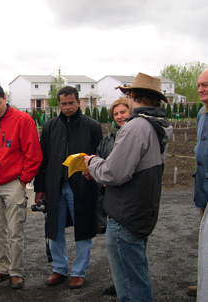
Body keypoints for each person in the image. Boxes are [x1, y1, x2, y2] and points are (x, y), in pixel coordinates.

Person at [84, 72, 173, 301]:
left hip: (126, 216)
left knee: (130, 288)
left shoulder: (136, 127)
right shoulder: (159, 126)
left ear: (132, 95)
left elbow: (113, 173)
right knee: (137, 278)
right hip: (142, 212)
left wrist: (92, 162)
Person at [34, 86, 103, 289]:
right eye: (63, 104)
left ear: (78, 101)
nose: (67, 107)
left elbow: (99, 157)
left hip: (82, 186)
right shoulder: (49, 127)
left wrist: (95, 174)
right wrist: (40, 187)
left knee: (83, 227)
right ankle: (59, 268)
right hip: (55, 186)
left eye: (71, 103)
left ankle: (79, 271)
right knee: (54, 228)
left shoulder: (92, 126)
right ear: (59, 104)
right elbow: (43, 159)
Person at [0, 84, 42, 289]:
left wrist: (23, 181)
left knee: (15, 230)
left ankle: (16, 271)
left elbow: (34, 155)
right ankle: (2, 268)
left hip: (13, 183)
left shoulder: (23, 120)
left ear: (5, 97)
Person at [95, 98, 130, 296]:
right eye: (116, 114)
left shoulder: (135, 135)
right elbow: (99, 163)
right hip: (110, 197)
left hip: (129, 198)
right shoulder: (106, 141)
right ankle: (119, 283)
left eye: (123, 112)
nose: (120, 116)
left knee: (128, 243)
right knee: (114, 243)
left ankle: (130, 286)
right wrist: (101, 179)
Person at [192, 69, 208, 299]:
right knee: (204, 240)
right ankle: (204, 282)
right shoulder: (201, 113)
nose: (201, 89)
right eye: (199, 85)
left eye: (206, 85)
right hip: (204, 188)